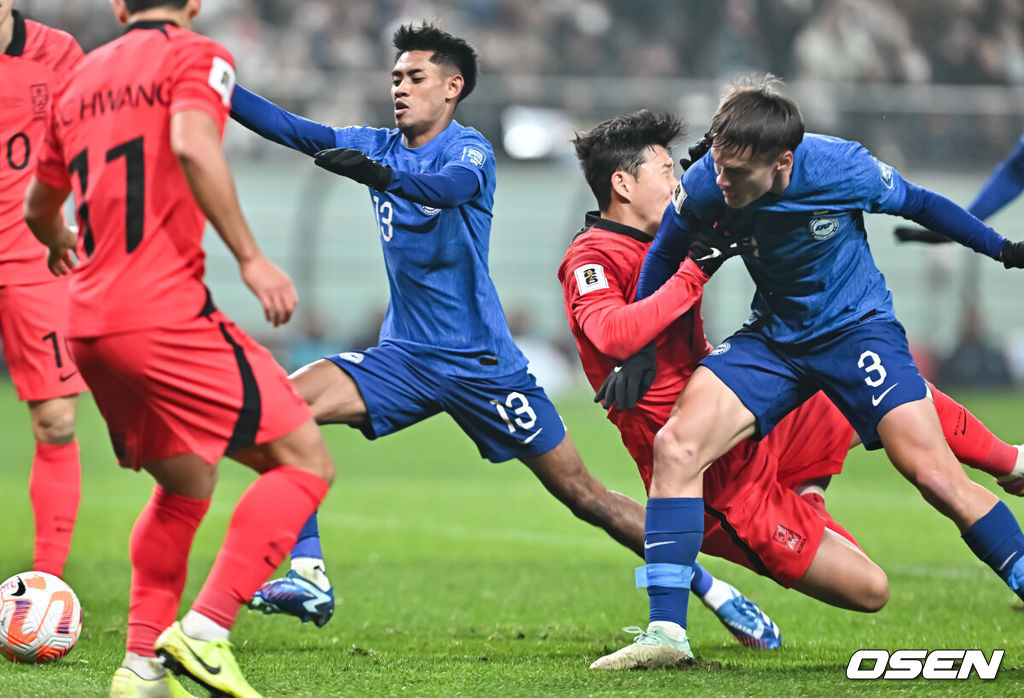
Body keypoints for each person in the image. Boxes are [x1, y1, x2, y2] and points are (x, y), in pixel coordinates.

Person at [229, 23, 779, 648]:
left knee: (584, 495)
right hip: (404, 356)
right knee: (277, 406)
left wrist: (380, 178)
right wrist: (214, 85)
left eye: (415, 78)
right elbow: (289, 129)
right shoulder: (375, 144)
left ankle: (714, 589)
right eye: (395, 79)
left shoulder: (470, 153)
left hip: (483, 365)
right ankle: (309, 573)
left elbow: (447, 189)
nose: (399, 89)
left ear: (452, 87)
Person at [559, 110, 1024, 668]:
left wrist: (999, 249)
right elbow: (632, 306)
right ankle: (675, 625)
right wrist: (652, 326)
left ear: (779, 162)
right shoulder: (616, 242)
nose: (696, 178)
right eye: (668, 169)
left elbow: (920, 200)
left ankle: (1008, 461)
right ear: (623, 183)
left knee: (924, 462)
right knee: (869, 588)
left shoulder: (835, 167)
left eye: (726, 170)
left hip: (834, 345)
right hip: (741, 445)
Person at [23, 1, 335, 696]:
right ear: (193, 3)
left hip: (88, 324)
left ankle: (139, 669)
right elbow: (194, 143)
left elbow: (40, 209)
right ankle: (206, 631)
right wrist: (252, 259)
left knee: (185, 483)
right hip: (162, 314)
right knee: (305, 462)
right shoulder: (197, 55)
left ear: (117, 5)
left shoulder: (78, 78)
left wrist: (61, 245)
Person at [0, 0, 86, 580]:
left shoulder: (58, 54)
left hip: (34, 257)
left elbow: (96, 146)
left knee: (56, 421)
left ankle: (46, 585)